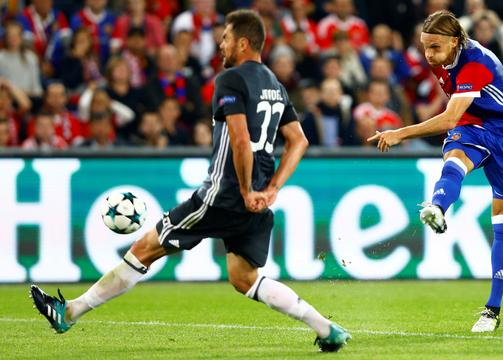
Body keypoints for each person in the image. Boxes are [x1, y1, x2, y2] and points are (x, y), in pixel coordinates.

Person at [30, 9, 351, 352]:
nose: (220, 43)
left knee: (144, 250)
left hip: (222, 195)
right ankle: (326, 328)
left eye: (226, 37)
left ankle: (70, 313)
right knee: (244, 279)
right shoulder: (275, 85)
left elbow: (240, 140)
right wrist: (269, 190)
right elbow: (298, 140)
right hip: (253, 201)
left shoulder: (230, 80)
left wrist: (244, 190)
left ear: (243, 42)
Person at [368, 10, 503, 333]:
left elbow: (449, 118)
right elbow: (459, 120)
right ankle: (437, 208)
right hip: (473, 127)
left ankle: (492, 310)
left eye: (436, 47)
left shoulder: (475, 63)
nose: (429, 55)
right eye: (425, 47)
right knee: (454, 158)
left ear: (455, 41)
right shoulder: (445, 60)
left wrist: (400, 133)